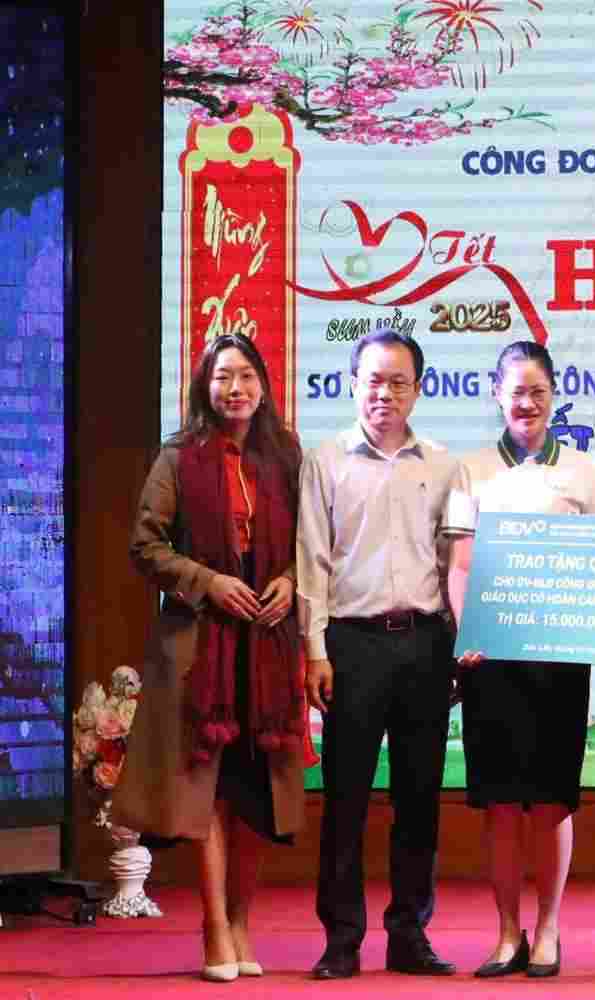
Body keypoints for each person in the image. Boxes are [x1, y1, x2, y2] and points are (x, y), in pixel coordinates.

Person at [113, 333, 305, 982]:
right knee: (211, 790)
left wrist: (291, 581)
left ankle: (243, 920)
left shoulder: (285, 455)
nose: (235, 388)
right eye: (223, 377)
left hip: (269, 642)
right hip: (202, 645)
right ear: (204, 385)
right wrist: (208, 581)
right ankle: (214, 926)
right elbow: (147, 546)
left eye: (246, 376)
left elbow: (314, 540)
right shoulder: (178, 456)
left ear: (264, 385)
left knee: (255, 790)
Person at [297, 330, 465, 980]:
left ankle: (409, 934)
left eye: (398, 382)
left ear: (418, 390)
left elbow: (456, 564)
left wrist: (458, 645)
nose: (384, 393)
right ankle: (341, 940)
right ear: (352, 384)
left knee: (419, 797)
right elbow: (311, 563)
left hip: (426, 643)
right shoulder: (326, 461)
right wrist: (315, 651)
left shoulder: (443, 465)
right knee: (345, 800)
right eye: (373, 380)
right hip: (353, 645)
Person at [445, 341, 595, 978]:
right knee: (502, 802)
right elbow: (460, 564)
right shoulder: (471, 469)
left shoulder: (584, 471)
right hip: (492, 659)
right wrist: (467, 633)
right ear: (497, 394)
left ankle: (548, 929)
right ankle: (507, 931)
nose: (528, 403)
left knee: (552, 799)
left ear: (553, 396)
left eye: (539, 391)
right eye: (517, 391)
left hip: (560, 659)